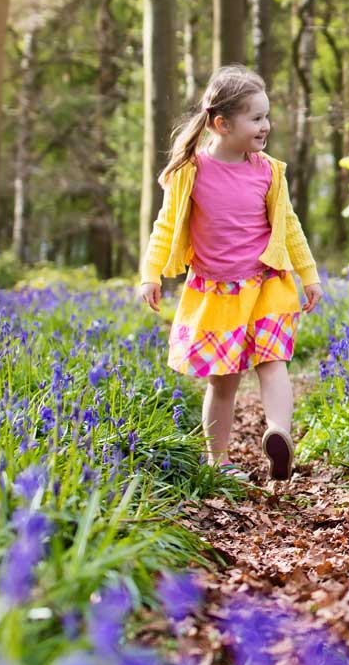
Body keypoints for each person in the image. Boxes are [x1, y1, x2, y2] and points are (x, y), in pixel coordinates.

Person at [137, 64, 323, 482]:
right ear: (222, 124)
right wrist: (151, 273)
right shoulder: (191, 173)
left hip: (267, 286)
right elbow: (166, 225)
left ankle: (278, 434)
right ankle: (216, 462)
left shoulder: (268, 171)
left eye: (267, 117)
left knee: (274, 362)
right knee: (223, 383)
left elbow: (288, 226)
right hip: (217, 294)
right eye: (256, 118)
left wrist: (308, 275)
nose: (265, 126)